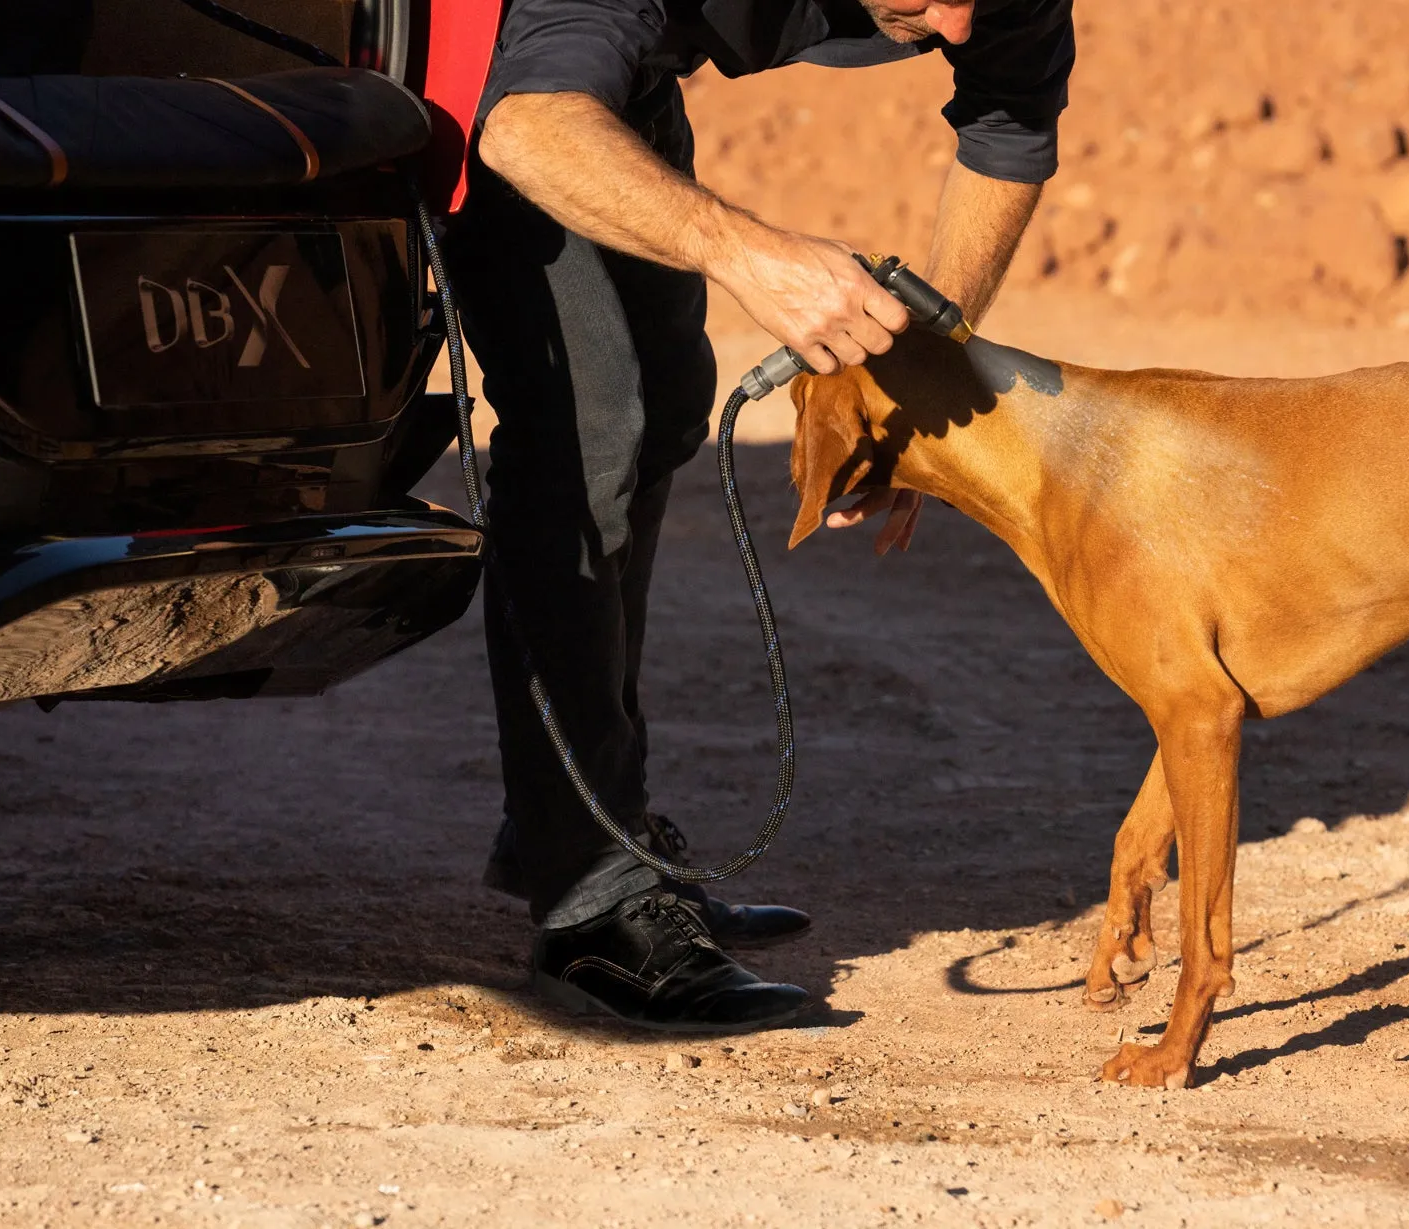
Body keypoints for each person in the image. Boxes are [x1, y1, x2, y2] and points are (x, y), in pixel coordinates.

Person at [448, 0, 1074, 1033]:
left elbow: (1008, 130)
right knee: (589, 423)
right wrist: (748, 253)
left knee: (659, 407)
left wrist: (914, 383)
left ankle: (575, 824)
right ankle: (591, 898)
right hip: (501, 59)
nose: (960, 23)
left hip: (615, 68)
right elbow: (528, 122)